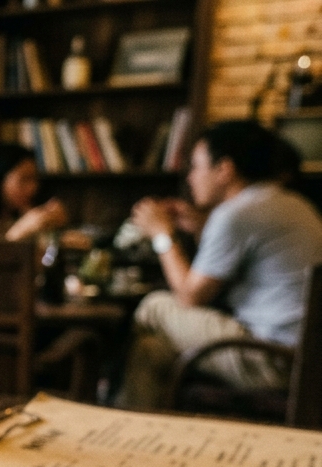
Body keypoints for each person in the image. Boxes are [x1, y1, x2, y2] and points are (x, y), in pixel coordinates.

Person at [118, 121, 322, 409]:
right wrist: (202, 226)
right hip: (308, 358)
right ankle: (140, 418)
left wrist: (161, 234)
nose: (191, 178)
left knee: (154, 305)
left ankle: (123, 415)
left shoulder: (236, 214)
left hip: (272, 359)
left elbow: (191, 296)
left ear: (224, 170)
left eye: (197, 166)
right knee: (150, 350)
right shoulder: (292, 204)